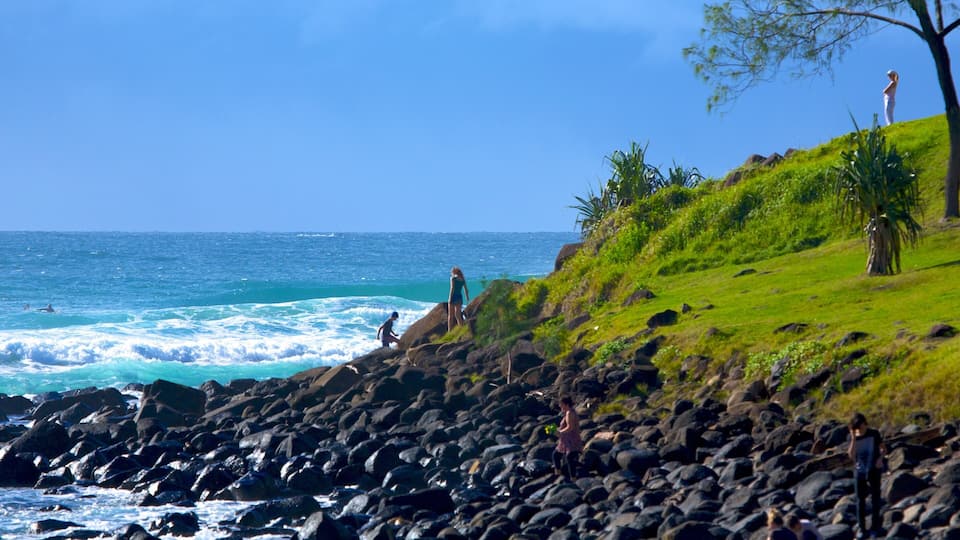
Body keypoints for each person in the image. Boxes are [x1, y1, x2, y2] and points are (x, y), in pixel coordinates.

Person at [848, 412, 886, 538]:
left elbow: (883, 449)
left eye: (861, 426)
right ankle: (862, 528)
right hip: (860, 471)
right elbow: (851, 456)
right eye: (857, 428)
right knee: (860, 501)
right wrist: (853, 438)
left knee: (875, 499)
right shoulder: (854, 437)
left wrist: (880, 458)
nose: (860, 429)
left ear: (865, 424)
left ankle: (875, 527)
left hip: (874, 469)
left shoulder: (874, 433)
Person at [552, 396, 583, 479]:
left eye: (561, 404)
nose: (559, 406)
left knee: (569, 458)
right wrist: (556, 430)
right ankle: (559, 475)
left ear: (566, 404)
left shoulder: (570, 413)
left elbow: (570, 427)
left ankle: (572, 478)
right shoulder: (568, 412)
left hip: (571, 440)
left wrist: (559, 432)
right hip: (566, 440)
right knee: (557, 455)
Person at [447, 266, 469, 331]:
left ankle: (449, 331)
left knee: (450, 316)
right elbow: (466, 290)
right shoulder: (462, 279)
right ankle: (461, 328)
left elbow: (452, 288)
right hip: (459, 297)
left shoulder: (453, 279)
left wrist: (450, 298)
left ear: (454, 272)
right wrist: (467, 297)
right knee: (458, 315)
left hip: (453, 297)